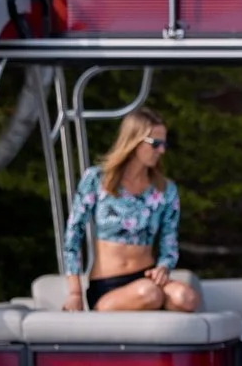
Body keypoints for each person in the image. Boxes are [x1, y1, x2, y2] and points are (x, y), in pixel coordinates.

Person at [60, 107, 202, 314]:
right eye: (155, 143)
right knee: (150, 294)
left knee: (186, 298)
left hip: (147, 278)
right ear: (134, 141)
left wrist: (164, 267)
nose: (161, 151)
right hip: (108, 284)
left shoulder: (165, 189)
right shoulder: (97, 179)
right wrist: (75, 293)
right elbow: (73, 234)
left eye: (164, 144)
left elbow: (169, 241)